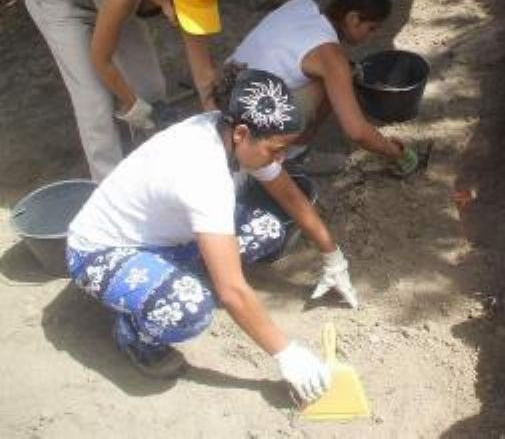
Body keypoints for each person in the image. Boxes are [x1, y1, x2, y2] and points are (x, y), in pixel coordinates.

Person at [66, 68, 358, 400]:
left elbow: (290, 196)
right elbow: (232, 291)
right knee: (187, 307)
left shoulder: (231, 129)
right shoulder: (203, 173)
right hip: (102, 252)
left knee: (267, 228)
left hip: (165, 237)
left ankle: (177, 276)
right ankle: (134, 335)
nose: (279, 159)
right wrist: (287, 353)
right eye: (276, 150)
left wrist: (332, 255)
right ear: (242, 133)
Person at [25, 0, 221, 181]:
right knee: (95, 101)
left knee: (150, 85)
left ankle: (160, 169)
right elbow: (101, 60)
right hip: (61, 2)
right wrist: (133, 105)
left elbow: (203, 72)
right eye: (184, 11)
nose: (186, 19)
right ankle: (110, 188)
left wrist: (217, 125)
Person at [228, 0, 419, 176]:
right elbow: (357, 131)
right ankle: (295, 155)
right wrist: (396, 153)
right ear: (353, 18)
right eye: (371, 28)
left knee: (337, 73)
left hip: (225, 89)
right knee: (334, 79)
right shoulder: (330, 57)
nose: (373, 36)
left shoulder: (302, 4)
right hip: (246, 124)